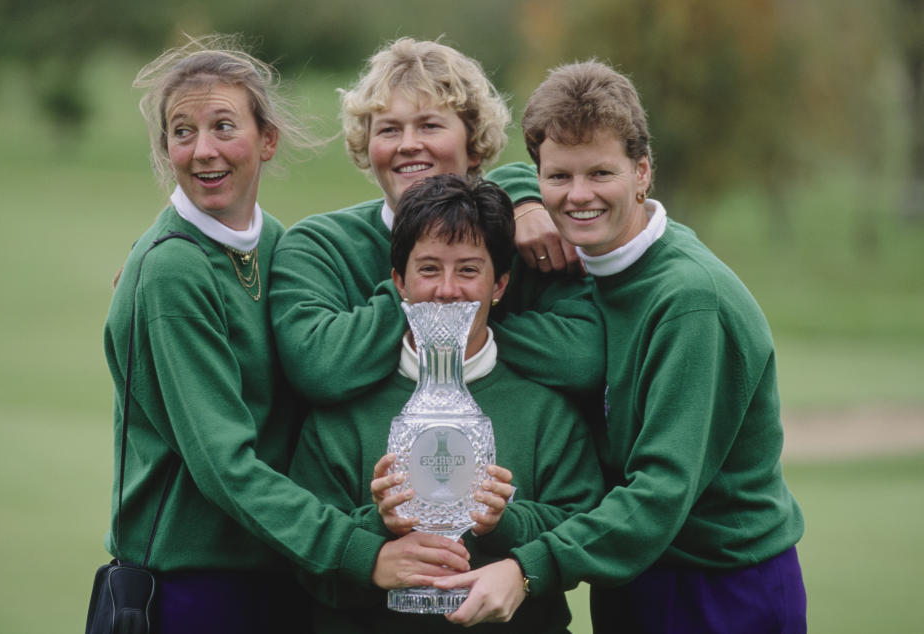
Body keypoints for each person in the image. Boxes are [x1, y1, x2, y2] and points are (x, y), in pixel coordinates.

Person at [102, 34, 468, 634]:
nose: (202, 151)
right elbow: (225, 467)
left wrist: (527, 200)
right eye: (181, 132)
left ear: (266, 141)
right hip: (191, 587)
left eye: (224, 126)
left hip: (278, 569)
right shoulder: (170, 269)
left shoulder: (273, 242)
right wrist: (360, 551)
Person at [436, 61, 807, 633]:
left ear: (642, 172)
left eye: (600, 174)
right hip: (629, 573)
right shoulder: (581, 259)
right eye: (558, 177)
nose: (579, 196)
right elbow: (508, 177)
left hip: (719, 584)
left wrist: (529, 568)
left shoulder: (689, 301)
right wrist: (523, 201)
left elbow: (659, 493)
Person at [289, 174, 605, 633]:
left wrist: (506, 521)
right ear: (399, 280)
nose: (448, 290)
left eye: (469, 270)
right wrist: (378, 529)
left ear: (499, 285)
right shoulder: (344, 410)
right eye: (429, 269)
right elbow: (303, 550)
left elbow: (584, 530)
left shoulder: (545, 407)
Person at [269, 38, 604, 405]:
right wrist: (449, 312)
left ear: (473, 144)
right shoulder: (317, 246)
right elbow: (322, 369)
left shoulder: (524, 235)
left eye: (429, 126)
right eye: (388, 130)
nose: (408, 144)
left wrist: (474, 329)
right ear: (367, 146)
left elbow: (581, 360)